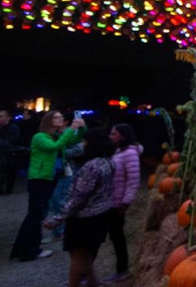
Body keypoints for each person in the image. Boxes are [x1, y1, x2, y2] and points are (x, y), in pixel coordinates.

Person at [10, 110, 86, 262]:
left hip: (51, 177)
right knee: (36, 215)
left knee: (36, 214)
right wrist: (70, 129)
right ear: (48, 120)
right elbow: (54, 147)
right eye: (56, 117)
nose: (60, 119)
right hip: (39, 178)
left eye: (61, 117)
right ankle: (30, 251)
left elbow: (75, 139)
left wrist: (82, 127)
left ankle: (21, 248)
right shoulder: (39, 137)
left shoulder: (57, 136)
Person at [44, 127, 115, 287]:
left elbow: (78, 198)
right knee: (85, 254)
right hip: (100, 214)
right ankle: (93, 282)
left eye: (84, 141)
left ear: (92, 144)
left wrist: (57, 219)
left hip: (85, 218)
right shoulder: (109, 162)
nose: (82, 144)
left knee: (78, 254)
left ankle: (74, 284)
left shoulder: (91, 167)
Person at [103, 123, 142, 283]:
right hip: (111, 200)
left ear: (123, 136)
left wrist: (125, 202)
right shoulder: (119, 151)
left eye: (114, 134)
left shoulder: (130, 154)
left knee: (117, 236)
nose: (111, 137)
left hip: (118, 202)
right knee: (114, 235)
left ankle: (122, 269)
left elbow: (133, 180)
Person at [43, 135, 85, 244]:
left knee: (58, 199)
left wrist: (58, 152)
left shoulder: (69, 134)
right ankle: (62, 230)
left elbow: (79, 149)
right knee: (55, 200)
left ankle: (61, 231)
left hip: (65, 171)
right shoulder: (49, 135)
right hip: (54, 171)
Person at [0, 108, 26, 195]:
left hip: (11, 155)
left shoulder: (13, 129)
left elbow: (9, 143)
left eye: (1, 116)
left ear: (8, 118)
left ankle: (8, 190)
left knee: (10, 174)